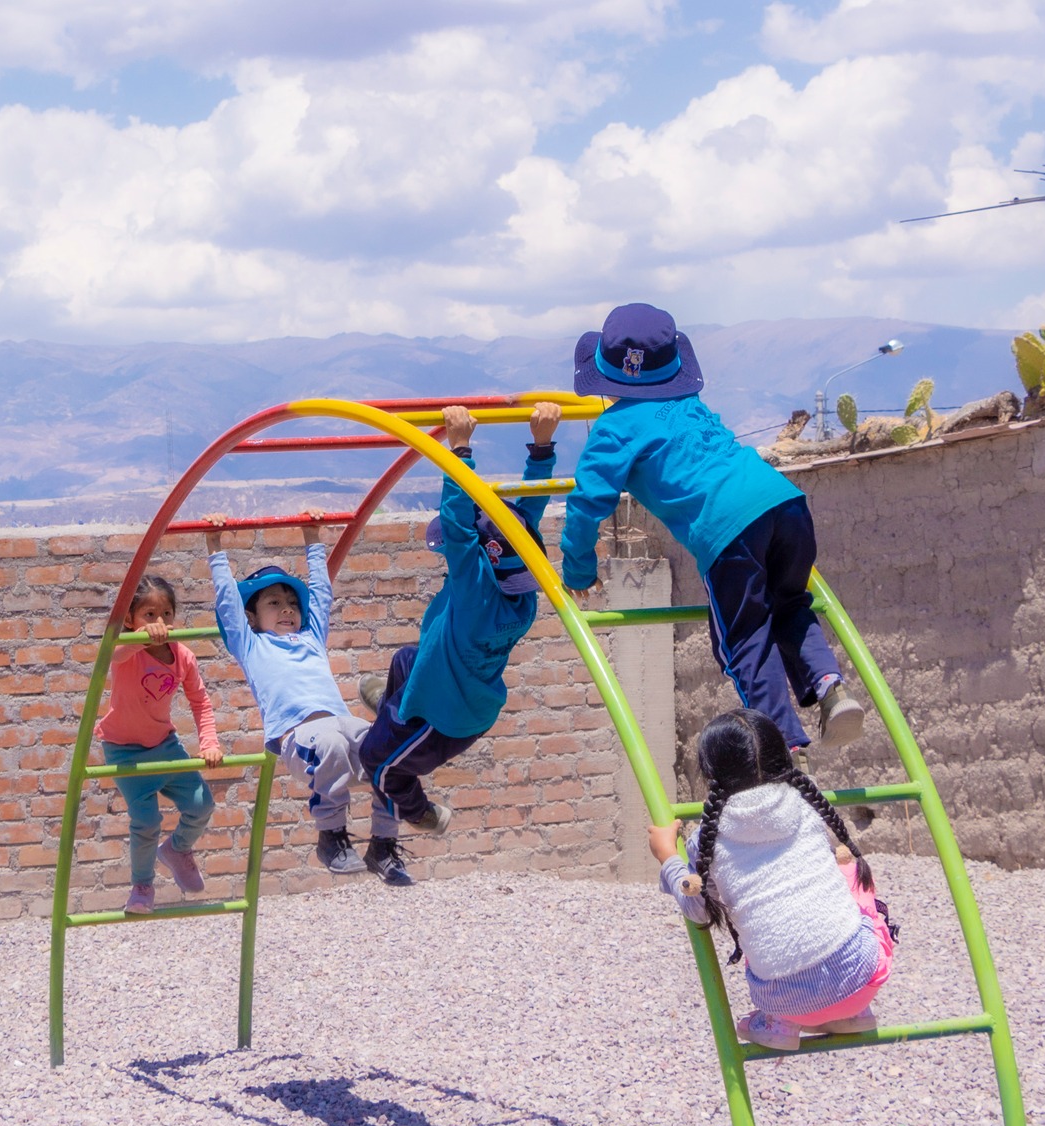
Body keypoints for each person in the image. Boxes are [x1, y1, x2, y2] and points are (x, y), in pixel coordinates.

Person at [563, 303, 865, 754]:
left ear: (605, 379)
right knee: (789, 604)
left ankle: (785, 748)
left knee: (744, 640)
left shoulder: (613, 429)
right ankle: (831, 687)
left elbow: (587, 505)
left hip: (728, 530)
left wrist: (578, 571)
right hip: (784, 501)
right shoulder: (690, 405)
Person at [355, 401, 564, 884]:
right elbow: (524, 519)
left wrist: (461, 451)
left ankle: (421, 812)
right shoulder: (520, 591)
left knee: (379, 766)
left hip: (446, 721)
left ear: (475, 560)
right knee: (407, 658)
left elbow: (456, 525)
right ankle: (394, 703)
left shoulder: (474, 594)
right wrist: (542, 447)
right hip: (452, 686)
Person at [647, 709, 897, 1051]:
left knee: (768, 925)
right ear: (782, 754)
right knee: (846, 875)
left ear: (711, 772)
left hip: (782, 999)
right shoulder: (807, 805)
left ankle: (780, 1024)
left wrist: (668, 858)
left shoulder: (708, 839)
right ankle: (851, 1013)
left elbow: (698, 909)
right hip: (861, 978)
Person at [205, 512, 399, 884]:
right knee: (329, 743)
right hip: (299, 737)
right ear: (252, 617)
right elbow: (228, 602)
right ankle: (332, 837)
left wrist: (312, 537)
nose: (287, 609)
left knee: (393, 748)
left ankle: (384, 844)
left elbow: (322, 594)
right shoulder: (250, 644)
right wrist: (215, 547)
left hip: (340, 723)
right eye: (274, 603)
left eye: (291, 603)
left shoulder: (311, 638)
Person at [98, 573, 225, 914]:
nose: (160, 623)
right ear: (130, 619)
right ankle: (142, 886)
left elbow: (200, 701)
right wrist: (139, 637)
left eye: (166, 614)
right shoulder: (124, 648)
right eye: (149, 615)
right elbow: (116, 653)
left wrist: (209, 742)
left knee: (201, 805)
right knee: (146, 821)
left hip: (163, 744)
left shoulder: (182, 655)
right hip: (123, 749)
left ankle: (177, 849)